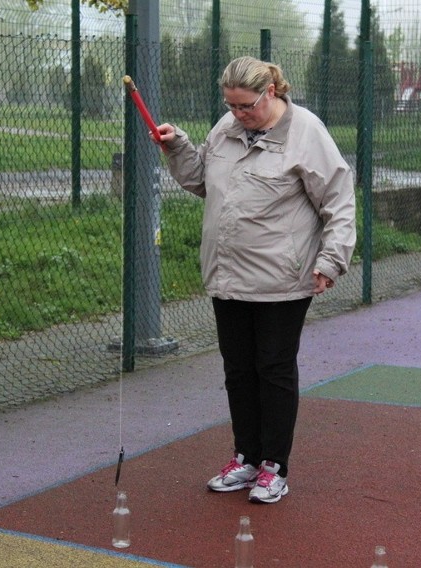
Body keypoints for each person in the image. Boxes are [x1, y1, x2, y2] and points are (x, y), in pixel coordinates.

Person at [153, 56, 356, 504]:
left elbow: (338, 200)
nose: (237, 114)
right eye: (231, 105)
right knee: (238, 370)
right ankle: (245, 457)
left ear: (271, 93)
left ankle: (274, 467)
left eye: (246, 106)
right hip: (228, 275)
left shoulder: (306, 132)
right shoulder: (226, 127)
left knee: (274, 368)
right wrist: (177, 146)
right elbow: (200, 180)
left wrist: (331, 260)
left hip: (282, 278)